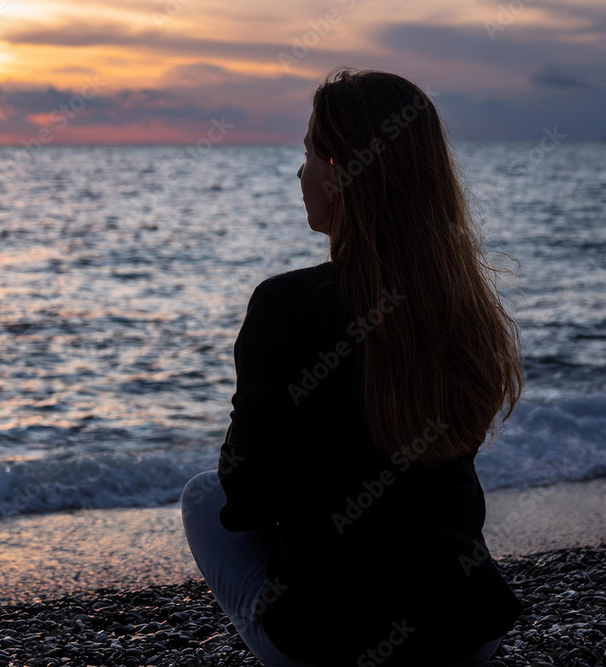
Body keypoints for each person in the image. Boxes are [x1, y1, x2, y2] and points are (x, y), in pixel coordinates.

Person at [180, 67, 525, 667]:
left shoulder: (285, 304)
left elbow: (243, 497)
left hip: (328, 645)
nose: (300, 173)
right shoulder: (464, 305)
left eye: (308, 154)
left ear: (339, 171)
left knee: (202, 496)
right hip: (466, 634)